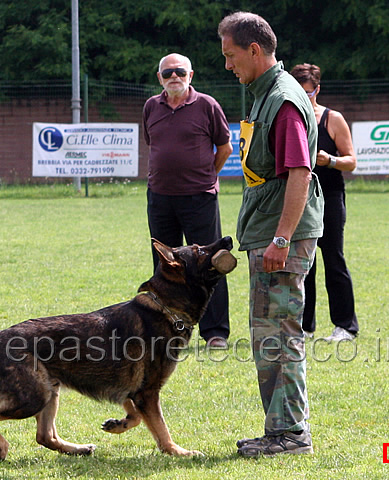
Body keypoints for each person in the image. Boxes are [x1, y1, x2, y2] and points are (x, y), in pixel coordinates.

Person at [218, 12, 323, 456]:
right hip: (270, 228)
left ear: (254, 50)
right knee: (270, 333)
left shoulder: (281, 99)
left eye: (231, 55)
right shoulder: (265, 95)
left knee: (279, 335)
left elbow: (299, 172)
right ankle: (280, 429)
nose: (228, 65)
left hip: (283, 235)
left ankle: (290, 435)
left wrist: (281, 239)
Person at [143, 53, 233, 348]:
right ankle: (166, 327)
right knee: (164, 266)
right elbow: (152, 144)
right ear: (160, 78)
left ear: (190, 75)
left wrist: (206, 176)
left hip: (200, 198)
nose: (174, 77)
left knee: (211, 265)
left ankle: (215, 332)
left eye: (179, 71)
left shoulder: (207, 105)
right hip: (160, 197)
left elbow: (225, 147)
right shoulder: (151, 107)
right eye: (167, 73)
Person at [290, 63, 359, 342]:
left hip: (329, 197)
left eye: (308, 93)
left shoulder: (332, 118)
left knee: (333, 259)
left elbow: (351, 161)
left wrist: (329, 160)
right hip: (299, 199)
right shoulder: (290, 117)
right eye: (298, 92)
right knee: (304, 264)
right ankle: (305, 326)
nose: (303, 98)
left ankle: (345, 325)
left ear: (317, 89)